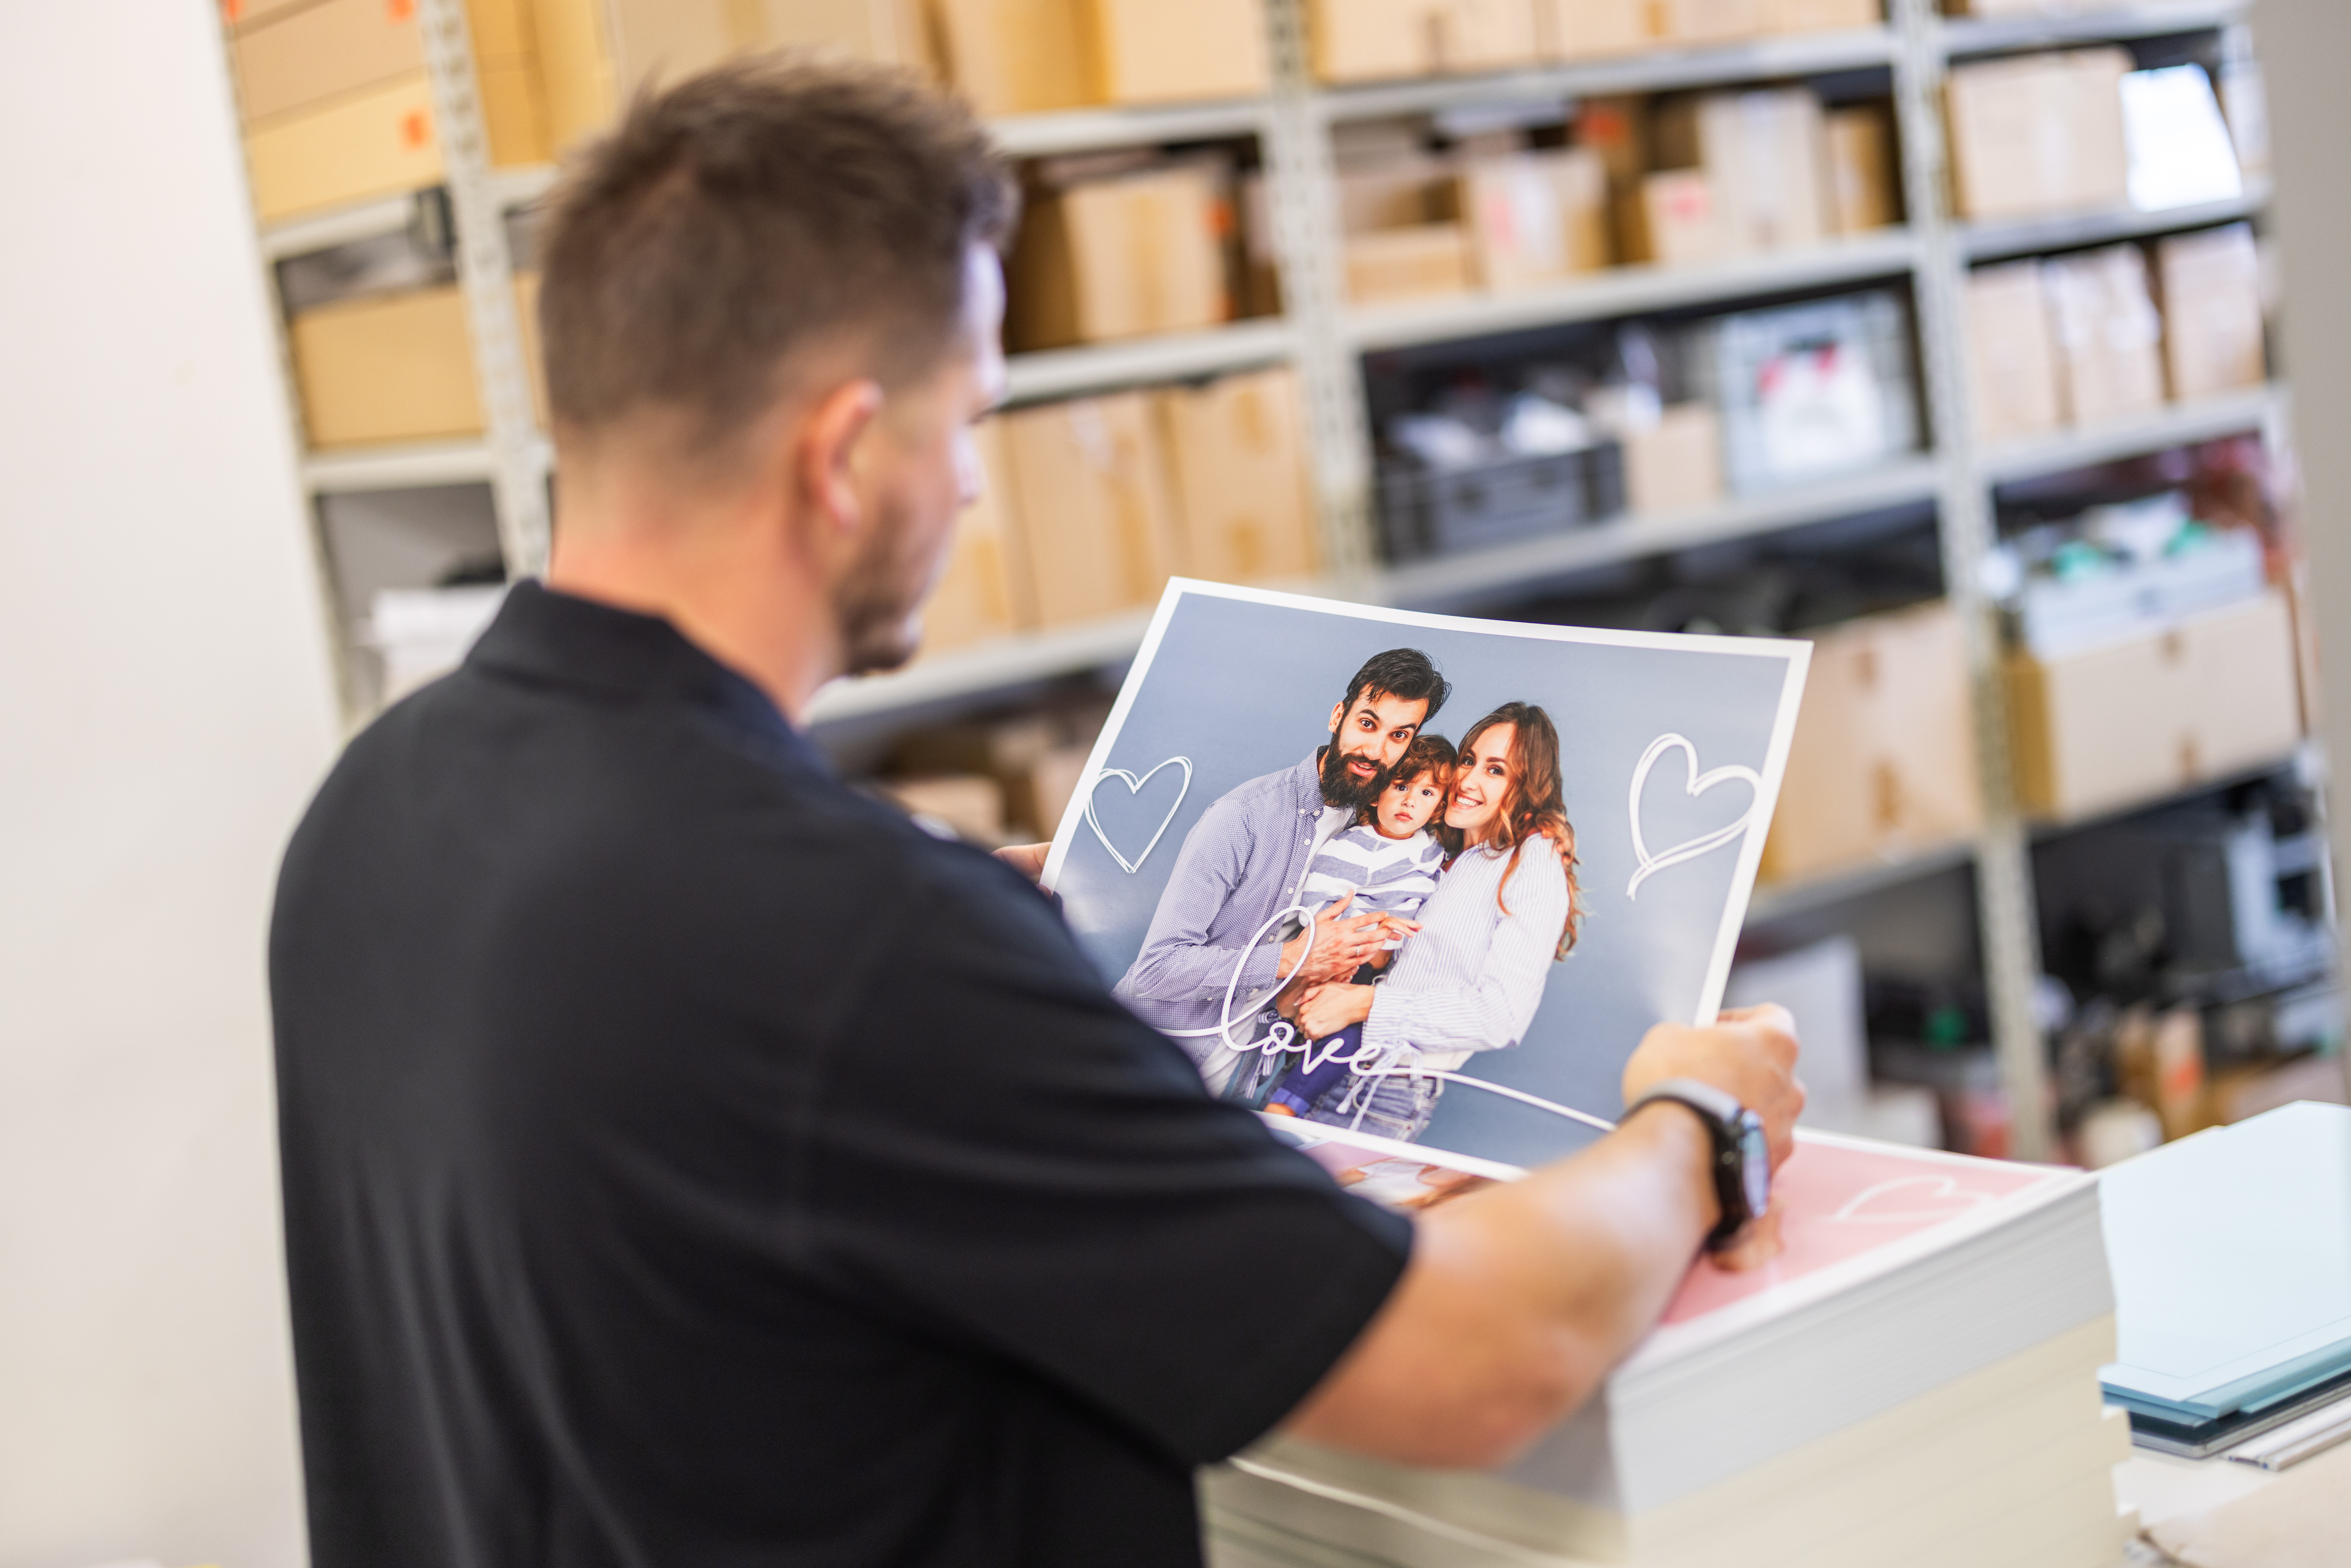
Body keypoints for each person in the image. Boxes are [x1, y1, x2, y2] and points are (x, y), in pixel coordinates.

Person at [268, 56, 1802, 1568]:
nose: (978, 488)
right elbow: (1476, 1354)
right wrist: (1699, 1118)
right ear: (846, 453)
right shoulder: (852, 945)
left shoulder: (375, 808)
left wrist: (960, 953)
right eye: (973, 418)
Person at [1114, 646, 1449, 1081]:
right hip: (1141, 1063)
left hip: (1240, 1077)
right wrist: (1292, 958)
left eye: (1399, 736)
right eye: (1368, 724)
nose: (1376, 750)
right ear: (1338, 717)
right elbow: (1155, 971)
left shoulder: (1382, 827)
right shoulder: (1242, 817)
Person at [1292, 703, 1580, 1142]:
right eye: (1469, 760)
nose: (1467, 780)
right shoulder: (1444, 857)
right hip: (1330, 1062)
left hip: (1379, 1092)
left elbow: (1502, 1016)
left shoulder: (1534, 858)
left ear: (1527, 786)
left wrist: (1362, 1004)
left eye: (1496, 770)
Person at [1266, 732, 1455, 1117]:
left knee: (1356, 1037)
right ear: (1375, 794)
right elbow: (1317, 907)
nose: (1410, 801)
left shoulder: (1433, 853)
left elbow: (1427, 910)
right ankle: (1282, 1102)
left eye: (1427, 793)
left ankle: (1291, 1102)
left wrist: (1390, 944)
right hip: (1340, 958)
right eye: (1401, 787)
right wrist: (1365, 938)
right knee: (1322, 1031)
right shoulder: (1349, 846)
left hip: (1384, 971)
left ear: (1438, 808)